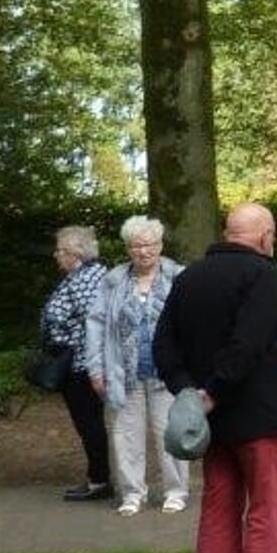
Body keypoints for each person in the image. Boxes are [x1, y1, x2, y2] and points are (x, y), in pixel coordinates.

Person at [153, 203, 277, 553]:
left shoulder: (188, 278)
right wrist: (213, 391)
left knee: (219, 506)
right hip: (260, 416)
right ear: (264, 236)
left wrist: (190, 394)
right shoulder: (262, 276)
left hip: (211, 424)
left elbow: (163, 346)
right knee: (268, 510)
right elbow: (248, 344)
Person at [85, 215, 188, 517]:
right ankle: (132, 493)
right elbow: (95, 325)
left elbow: (194, 324)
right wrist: (95, 369)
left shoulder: (179, 277)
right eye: (136, 246)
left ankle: (176, 490)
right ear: (128, 249)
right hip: (122, 373)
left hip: (167, 373)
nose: (143, 251)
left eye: (149, 244)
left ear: (160, 245)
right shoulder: (113, 281)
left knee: (171, 433)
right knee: (126, 436)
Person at [45, 226, 111, 502]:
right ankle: (99, 476)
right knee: (87, 423)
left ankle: (100, 480)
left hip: (83, 364)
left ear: (75, 253)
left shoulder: (88, 279)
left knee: (89, 423)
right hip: (76, 362)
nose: (56, 255)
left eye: (60, 250)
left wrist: (92, 364)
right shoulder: (78, 277)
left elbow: (94, 323)